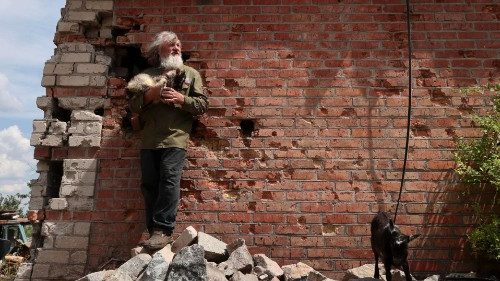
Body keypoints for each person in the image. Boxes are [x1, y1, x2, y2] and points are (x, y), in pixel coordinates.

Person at [128, 31, 208, 250]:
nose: (176, 48)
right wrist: (149, 95)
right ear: (158, 50)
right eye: (171, 45)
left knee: (169, 181)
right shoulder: (147, 75)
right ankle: (154, 232)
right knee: (149, 184)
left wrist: (182, 99)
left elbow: (202, 105)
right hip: (149, 140)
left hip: (175, 138)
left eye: (178, 45)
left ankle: (163, 230)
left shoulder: (190, 74)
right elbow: (132, 106)